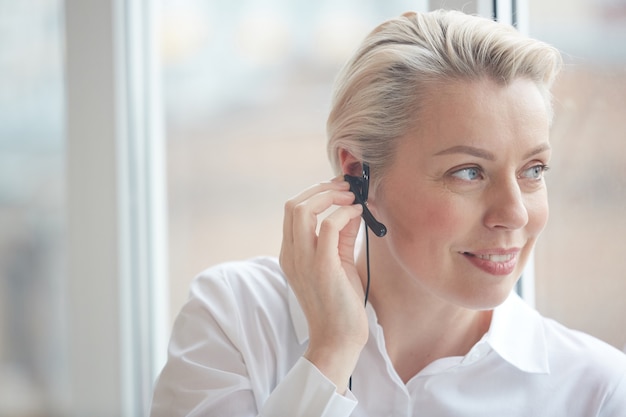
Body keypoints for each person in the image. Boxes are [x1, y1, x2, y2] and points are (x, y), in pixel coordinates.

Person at [150, 9, 626, 416]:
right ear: (359, 173)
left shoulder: (596, 391)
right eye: (468, 172)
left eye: (534, 169)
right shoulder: (237, 317)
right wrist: (331, 352)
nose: (515, 214)